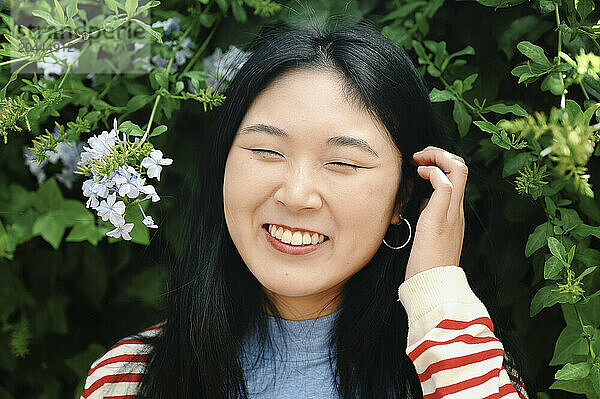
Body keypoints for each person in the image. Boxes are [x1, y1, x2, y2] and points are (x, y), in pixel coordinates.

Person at [80, 21, 531, 398]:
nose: (296, 195)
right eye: (267, 151)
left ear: (403, 198)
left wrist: (436, 293)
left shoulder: (453, 366)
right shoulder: (129, 379)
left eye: (342, 163)